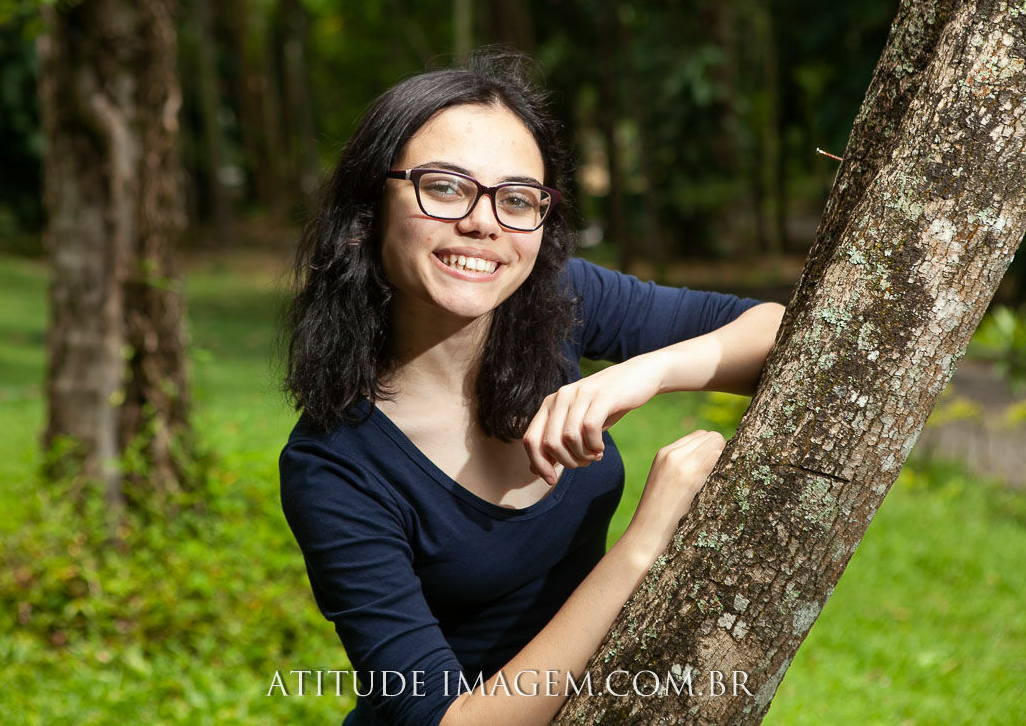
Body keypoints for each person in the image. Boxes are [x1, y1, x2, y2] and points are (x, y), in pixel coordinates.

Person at [278, 50, 784, 726]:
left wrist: (647, 369)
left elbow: (778, 331)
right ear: (368, 209)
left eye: (517, 198)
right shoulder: (333, 466)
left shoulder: (561, 300)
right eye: (446, 187)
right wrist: (644, 545)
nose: (484, 221)